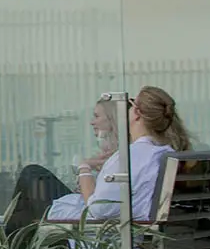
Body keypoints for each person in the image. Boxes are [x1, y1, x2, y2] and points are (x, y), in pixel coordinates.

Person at [47, 86, 189, 222]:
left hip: (109, 235)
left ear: (137, 114)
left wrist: (84, 168)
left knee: (32, 177)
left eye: (131, 105)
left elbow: (98, 210)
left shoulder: (128, 157)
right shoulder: (165, 153)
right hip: (132, 228)